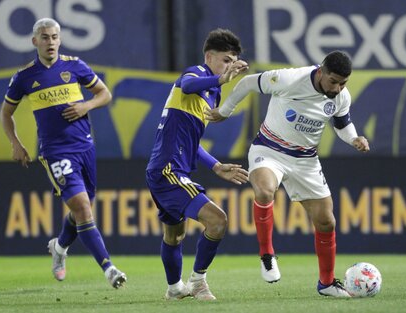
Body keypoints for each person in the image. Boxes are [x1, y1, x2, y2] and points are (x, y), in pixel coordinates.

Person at [205, 50, 370, 297]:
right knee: (264, 190)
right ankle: (267, 254)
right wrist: (226, 110)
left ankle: (326, 283)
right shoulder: (291, 79)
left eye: (343, 83)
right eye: (333, 81)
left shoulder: (340, 96)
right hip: (269, 149)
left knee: (327, 221)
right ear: (321, 72)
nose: (337, 88)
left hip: (306, 160)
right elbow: (249, 82)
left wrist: (354, 138)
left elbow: (342, 123)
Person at [0, 18, 127, 289]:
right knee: (82, 207)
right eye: (45, 37)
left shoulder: (75, 66)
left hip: (85, 147)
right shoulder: (25, 76)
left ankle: (59, 246)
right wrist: (15, 143)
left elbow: (105, 94)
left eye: (55, 37)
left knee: (82, 210)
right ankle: (109, 269)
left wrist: (86, 106)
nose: (51, 42)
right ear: (35, 42)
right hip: (56, 151)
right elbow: (6, 112)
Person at [146, 28, 249, 301]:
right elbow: (188, 84)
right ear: (209, 56)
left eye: (234, 61)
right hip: (168, 170)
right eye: (226, 60)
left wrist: (216, 166)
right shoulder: (196, 74)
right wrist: (219, 77)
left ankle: (174, 288)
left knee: (174, 235)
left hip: (166, 169)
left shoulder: (212, 94)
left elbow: (192, 142)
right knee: (218, 221)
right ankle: (199, 282)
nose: (230, 67)